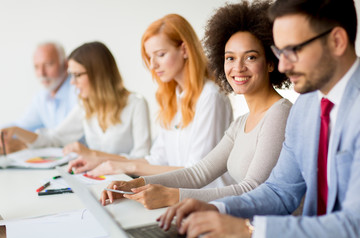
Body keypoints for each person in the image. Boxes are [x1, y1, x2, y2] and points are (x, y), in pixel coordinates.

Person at [157, 0, 360, 238]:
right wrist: (218, 209)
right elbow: (279, 191)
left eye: (293, 50)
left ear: (336, 41)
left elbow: (354, 226)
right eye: (278, 52)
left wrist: (248, 231)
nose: (283, 64)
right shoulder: (305, 107)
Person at [100, 1, 292, 210]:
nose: (238, 67)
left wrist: (174, 196)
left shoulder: (279, 114)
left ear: (271, 62)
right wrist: (137, 184)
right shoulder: (241, 123)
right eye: (230, 58)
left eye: (251, 57)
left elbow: (252, 188)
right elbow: (198, 173)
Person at [67, 14, 234, 189]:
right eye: (149, 57)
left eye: (160, 55)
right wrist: (101, 160)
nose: (153, 65)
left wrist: (127, 166)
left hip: (210, 201)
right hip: (181, 196)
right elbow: (155, 160)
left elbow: (196, 172)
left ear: (184, 50)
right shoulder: (173, 97)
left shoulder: (210, 97)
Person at [1, 41, 151, 161]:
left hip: (127, 183)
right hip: (97, 179)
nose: (72, 83)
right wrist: (16, 131)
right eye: (71, 75)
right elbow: (55, 138)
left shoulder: (136, 104)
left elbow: (142, 158)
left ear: (98, 75)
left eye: (78, 75)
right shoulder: (85, 106)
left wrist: (92, 155)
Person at [1, 42, 77, 153]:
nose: (42, 73)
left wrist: (23, 143)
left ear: (65, 65)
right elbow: (21, 126)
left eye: (48, 64)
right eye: (36, 67)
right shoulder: (42, 96)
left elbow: (58, 139)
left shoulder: (78, 91)